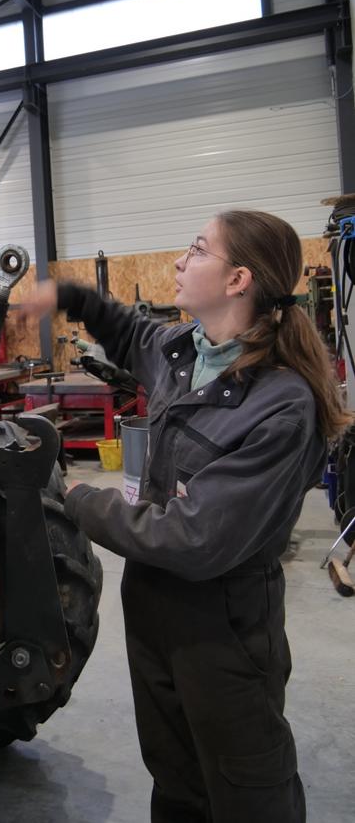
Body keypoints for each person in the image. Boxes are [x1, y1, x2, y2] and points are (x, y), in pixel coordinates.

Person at [25, 209, 348, 823]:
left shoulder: (280, 405)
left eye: (198, 250)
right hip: (151, 610)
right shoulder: (182, 351)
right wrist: (66, 294)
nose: (179, 260)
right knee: (174, 778)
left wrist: (79, 500)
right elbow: (124, 332)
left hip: (222, 624)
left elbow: (195, 538)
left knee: (246, 787)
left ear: (238, 281)